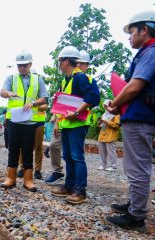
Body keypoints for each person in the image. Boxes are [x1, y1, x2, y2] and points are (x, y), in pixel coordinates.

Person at [105, 10, 155, 231]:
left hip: (142, 118)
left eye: (131, 31)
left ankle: (136, 216)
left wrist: (114, 104)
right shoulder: (147, 52)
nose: (129, 36)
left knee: (138, 167)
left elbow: (135, 86)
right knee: (134, 166)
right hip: (139, 117)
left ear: (144, 30)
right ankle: (134, 205)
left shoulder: (153, 51)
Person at [51, 46, 100, 204]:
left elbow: (93, 97)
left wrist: (77, 112)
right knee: (67, 156)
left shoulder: (79, 78)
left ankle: (80, 190)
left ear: (66, 61)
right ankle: (69, 186)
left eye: (60, 61)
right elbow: (63, 104)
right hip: (67, 124)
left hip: (78, 124)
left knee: (77, 157)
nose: (59, 64)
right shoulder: (67, 79)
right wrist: (58, 122)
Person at [0, 50, 48, 192]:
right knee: (13, 148)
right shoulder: (11, 78)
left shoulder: (38, 79)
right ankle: (11, 178)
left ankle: (28, 179)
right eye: (19, 65)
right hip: (14, 120)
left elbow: (44, 98)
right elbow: (2, 92)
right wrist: (8, 93)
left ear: (30, 64)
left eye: (24, 65)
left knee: (28, 150)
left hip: (30, 122)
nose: (21, 68)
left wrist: (33, 103)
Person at [17, 103, 48, 179]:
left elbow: (45, 107)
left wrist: (33, 105)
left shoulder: (41, 95)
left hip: (39, 122)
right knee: (23, 145)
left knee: (39, 147)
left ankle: (37, 170)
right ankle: (22, 168)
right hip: (26, 120)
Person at [45, 114, 64, 183]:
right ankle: (57, 171)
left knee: (74, 152)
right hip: (60, 122)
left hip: (77, 123)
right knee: (53, 145)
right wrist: (54, 115)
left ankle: (76, 179)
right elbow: (58, 104)